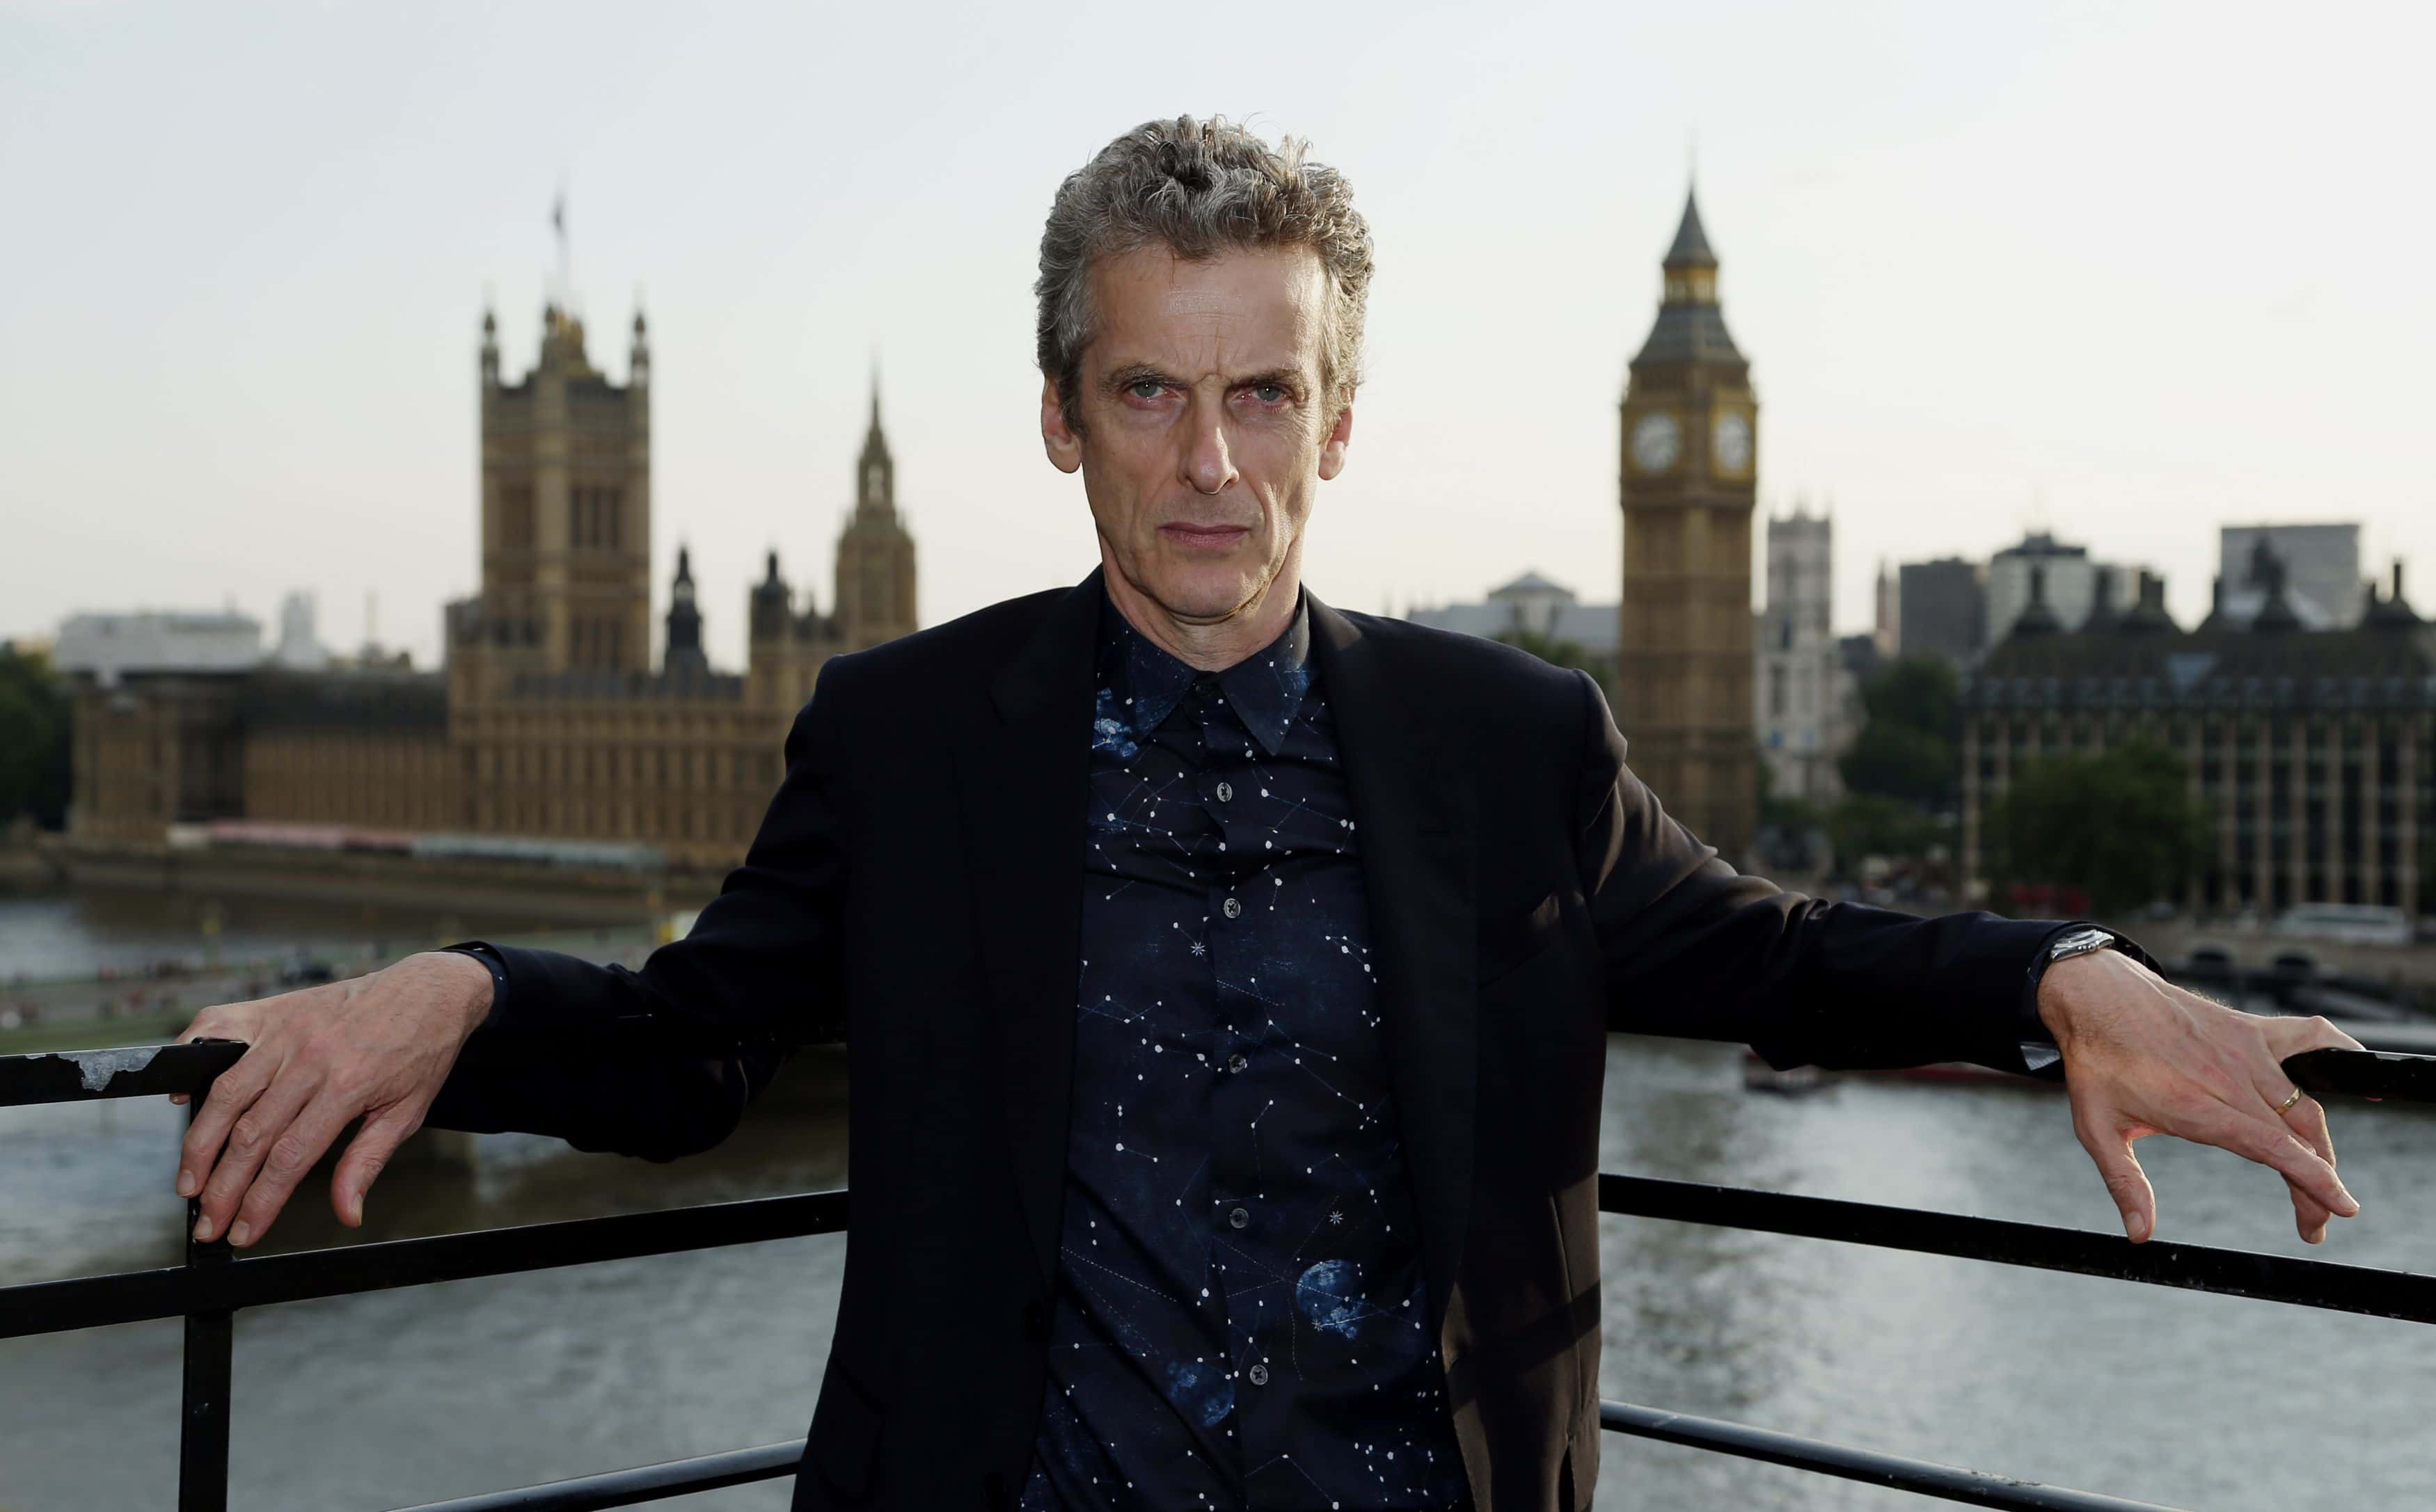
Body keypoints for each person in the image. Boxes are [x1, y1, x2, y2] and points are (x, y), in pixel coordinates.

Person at [169, 117, 2362, 1512]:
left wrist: (2064, 968)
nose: (1207, 457)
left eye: (1259, 391)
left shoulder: (1508, 737)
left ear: (1337, 416)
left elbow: (1767, 950)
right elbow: (691, 1048)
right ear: (1062, 421)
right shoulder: (911, 732)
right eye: (1147, 389)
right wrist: (448, 990)